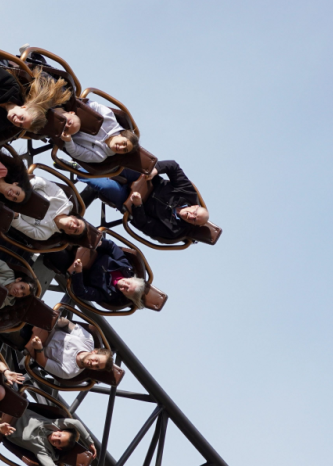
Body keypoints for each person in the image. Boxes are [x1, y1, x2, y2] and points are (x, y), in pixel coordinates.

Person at [81, 160, 209, 242]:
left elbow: (143, 224)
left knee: (106, 187)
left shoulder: (174, 231)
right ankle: (84, 157)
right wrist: (154, 172)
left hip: (131, 202)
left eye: (194, 220)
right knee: (119, 164)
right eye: (194, 213)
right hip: (145, 180)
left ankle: (76, 168)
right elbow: (173, 166)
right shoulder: (188, 193)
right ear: (195, 206)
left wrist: (138, 205)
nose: (190, 216)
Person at [44, 235, 145, 310]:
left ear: (125, 295)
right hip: (88, 248)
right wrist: (100, 243)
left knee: (54, 250)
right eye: (128, 283)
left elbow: (82, 292)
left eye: (126, 289)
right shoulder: (125, 267)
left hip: (74, 265)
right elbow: (111, 246)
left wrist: (78, 272)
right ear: (131, 278)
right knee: (76, 229)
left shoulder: (108, 294)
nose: (124, 285)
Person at [0, 409, 98, 466]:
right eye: (59, 435)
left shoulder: (42, 450)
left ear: (58, 448)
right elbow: (75, 423)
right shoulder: (53, 424)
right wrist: (90, 442)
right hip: (14, 408)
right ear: (59, 430)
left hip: (3, 425)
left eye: (58, 442)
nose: (55, 438)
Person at [25, 319, 112, 380]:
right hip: (47, 327)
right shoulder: (88, 340)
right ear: (94, 352)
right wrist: (60, 322)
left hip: (36, 343)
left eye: (96, 366)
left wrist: (39, 348)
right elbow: (68, 324)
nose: (93, 364)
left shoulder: (69, 372)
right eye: (96, 360)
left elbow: (42, 362)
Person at [59, 99, 137, 164]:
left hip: (59, 130)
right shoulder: (109, 119)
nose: (121, 147)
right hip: (67, 109)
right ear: (121, 135)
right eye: (124, 143)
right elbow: (91, 105)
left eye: (124, 150)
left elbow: (75, 152)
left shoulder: (99, 156)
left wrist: (68, 140)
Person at [10, 176, 86, 241]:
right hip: (19, 185)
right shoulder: (62, 200)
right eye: (77, 223)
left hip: (10, 207)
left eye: (76, 230)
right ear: (73, 216)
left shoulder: (44, 234)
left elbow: (18, 224)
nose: (74, 226)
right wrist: (26, 188)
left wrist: (14, 210)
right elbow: (43, 183)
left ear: (68, 233)